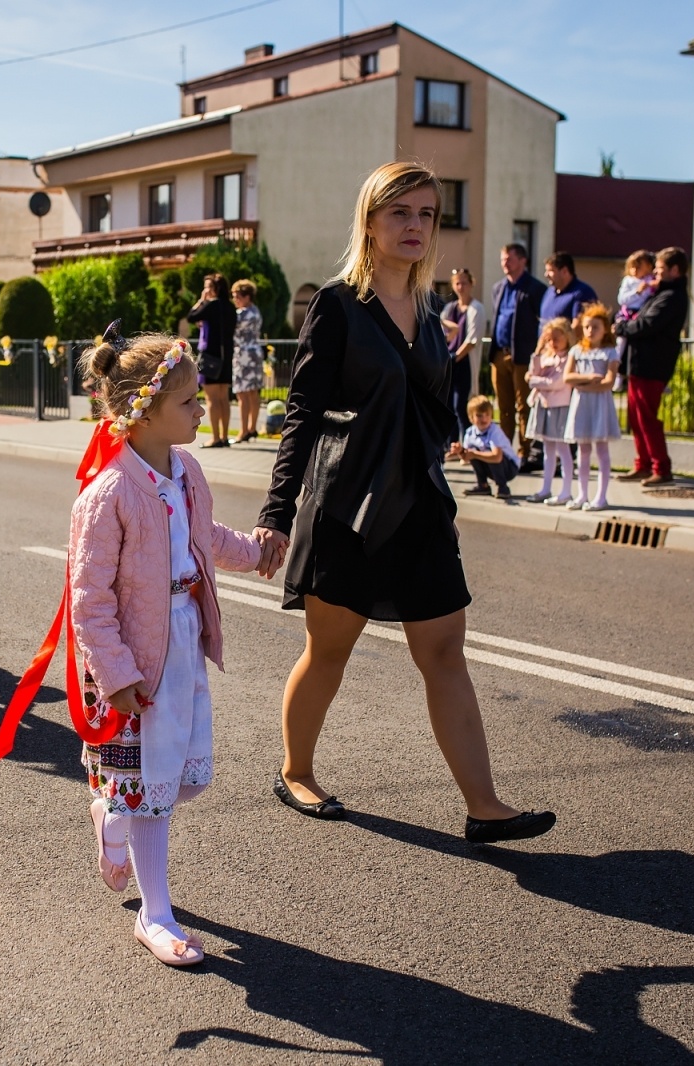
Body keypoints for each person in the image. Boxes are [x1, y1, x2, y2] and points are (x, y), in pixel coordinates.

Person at [254, 161, 555, 844]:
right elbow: (302, 413)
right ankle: (296, 769)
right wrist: (276, 514)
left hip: (419, 503)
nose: (415, 226)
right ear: (369, 221)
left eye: (426, 215)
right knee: (329, 649)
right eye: (400, 213)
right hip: (348, 506)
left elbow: (435, 404)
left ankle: (485, 805)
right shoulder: (336, 304)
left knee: (445, 649)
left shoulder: (427, 311)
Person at [71, 329, 264, 966]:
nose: (201, 407)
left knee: (171, 778)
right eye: (187, 401)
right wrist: (116, 672)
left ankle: (113, 816)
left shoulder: (185, 470)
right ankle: (155, 914)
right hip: (137, 657)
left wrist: (258, 551)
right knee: (152, 781)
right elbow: (89, 598)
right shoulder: (109, 495)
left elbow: (203, 535)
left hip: (182, 641)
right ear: (144, 411)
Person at [616, 247, 689, 486]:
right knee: (636, 418)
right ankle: (643, 464)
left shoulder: (672, 297)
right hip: (639, 364)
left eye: (660, 269)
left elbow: (647, 325)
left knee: (647, 417)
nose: (655, 274)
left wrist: (620, 328)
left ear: (675, 270)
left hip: (653, 364)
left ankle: (661, 467)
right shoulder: (659, 293)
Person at [488, 243, 546, 469]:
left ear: (523, 261)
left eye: (509, 259)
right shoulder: (498, 288)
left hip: (522, 357)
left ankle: (524, 453)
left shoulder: (535, 289)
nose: (505, 263)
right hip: (499, 355)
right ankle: (504, 452)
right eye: (503, 259)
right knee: (503, 407)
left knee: (524, 407)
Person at [564, 303, 623, 511]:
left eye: (595, 327)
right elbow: (568, 377)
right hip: (582, 404)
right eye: (587, 327)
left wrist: (584, 386)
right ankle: (582, 494)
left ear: (604, 329)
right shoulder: (577, 350)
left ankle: (601, 496)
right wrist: (589, 379)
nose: (590, 331)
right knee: (583, 450)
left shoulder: (610, 352)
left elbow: (608, 382)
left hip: (600, 404)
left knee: (601, 449)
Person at [523, 319, 575, 504]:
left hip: (559, 406)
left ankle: (566, 491)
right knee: (548, 450)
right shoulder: (547, 355)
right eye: (549, 339)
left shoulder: (569, 357)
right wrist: (537, 351)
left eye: (557, 338)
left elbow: (556, 383)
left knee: (563, 449)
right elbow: (531, 372)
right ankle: (546, 488)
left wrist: (535, 381)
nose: (553, 342)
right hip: (544, 405)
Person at [184, 274, 237, 447]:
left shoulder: (211, 305)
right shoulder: (230, 306)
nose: (205, 290)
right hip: (226, 356)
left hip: (210, 356)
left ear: (215, 289)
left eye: (207, 287)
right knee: (223, 398)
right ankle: (224, 436)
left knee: (212, 399)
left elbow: (191, 316)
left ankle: (215, 437)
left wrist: (201, 300)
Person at [440, 267, 484, 439]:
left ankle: (467, 442)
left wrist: (455, 357)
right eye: (457, 283)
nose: (461, 287)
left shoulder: (476, 309)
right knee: (448, 405)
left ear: (471, 284)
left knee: (461, 405)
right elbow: (443, 332)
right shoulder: (450, 308)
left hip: (463, 361)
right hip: (449, 362)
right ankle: (451, 444)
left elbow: (472, 340)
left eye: (464, 283)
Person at [451, 395, 520, 498]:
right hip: (491, 465)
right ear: (471, 418)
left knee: (487, 452)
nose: (484, 419)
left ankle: (503, 487)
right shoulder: (470, 433)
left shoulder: (494, 431)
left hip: (508, 467)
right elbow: (466, 457)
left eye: (487, 415)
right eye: (479, 415)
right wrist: (460, 451)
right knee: (473, 450)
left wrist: (474, 454)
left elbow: (497, 457)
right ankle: (483, 485)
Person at [230, 279, 265, 442]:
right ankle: (252, 428)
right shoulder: (256, 311)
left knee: (242, 394)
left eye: (237, 296)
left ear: (247, 296)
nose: (235, 300)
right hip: (255, 352)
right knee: (253, 393)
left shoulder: (241, 314)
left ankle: (243, 431)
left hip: (243, 354)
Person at [613, 250, 655, 379]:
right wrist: (637, 292)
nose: (635, 270)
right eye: (632, 267)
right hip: (628, 315)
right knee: (620, 345)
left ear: (648, 267)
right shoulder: (628, 281)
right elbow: (622, 300)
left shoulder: (650, 280)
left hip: (642, 315)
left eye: (639, 267)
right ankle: (617, 374)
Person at [539, 252, 598, 331]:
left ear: (564, 271)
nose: (546, 275)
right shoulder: (549, 292)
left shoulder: (582, 293)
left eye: (551, 271)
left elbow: (578, 327)